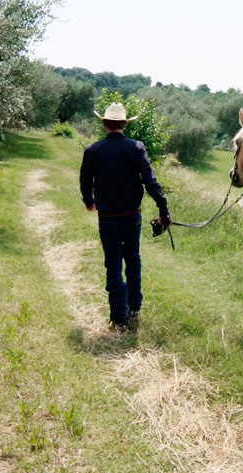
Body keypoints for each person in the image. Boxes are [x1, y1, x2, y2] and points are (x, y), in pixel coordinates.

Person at [79, 103, 171, 333]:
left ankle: (119, 318)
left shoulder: (93, 150)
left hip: (107, 218)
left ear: (104, 123)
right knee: (133, 259)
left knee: (113, 264)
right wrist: (163, 210)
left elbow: (85, 182)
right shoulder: (136, 148)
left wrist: (89, 202)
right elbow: (151, 182)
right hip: (133, 217)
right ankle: (133, 307)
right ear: (124, 124)